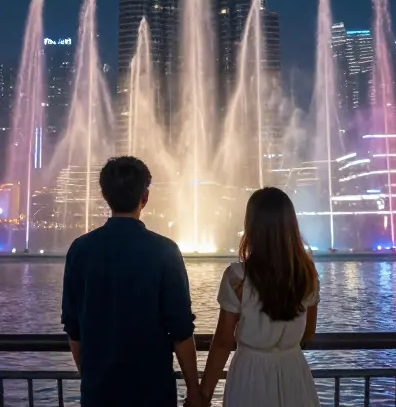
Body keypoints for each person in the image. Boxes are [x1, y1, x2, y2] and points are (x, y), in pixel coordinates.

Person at [61, 155, 202, 407]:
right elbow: (181, 330)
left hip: (99, 394)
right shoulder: (165, 251)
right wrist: (194, 390)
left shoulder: (80, 250)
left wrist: (92, 377)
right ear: (144, 198)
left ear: (105, 196)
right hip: (153, 392)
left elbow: (73, 329)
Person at [200, 187, 319, 406]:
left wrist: (204, 393)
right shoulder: (307, 274)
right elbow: (309, 331)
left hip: (250, 375)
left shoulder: (238, 277)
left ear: (252, 227)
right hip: (294, 371)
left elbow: (223, 341)